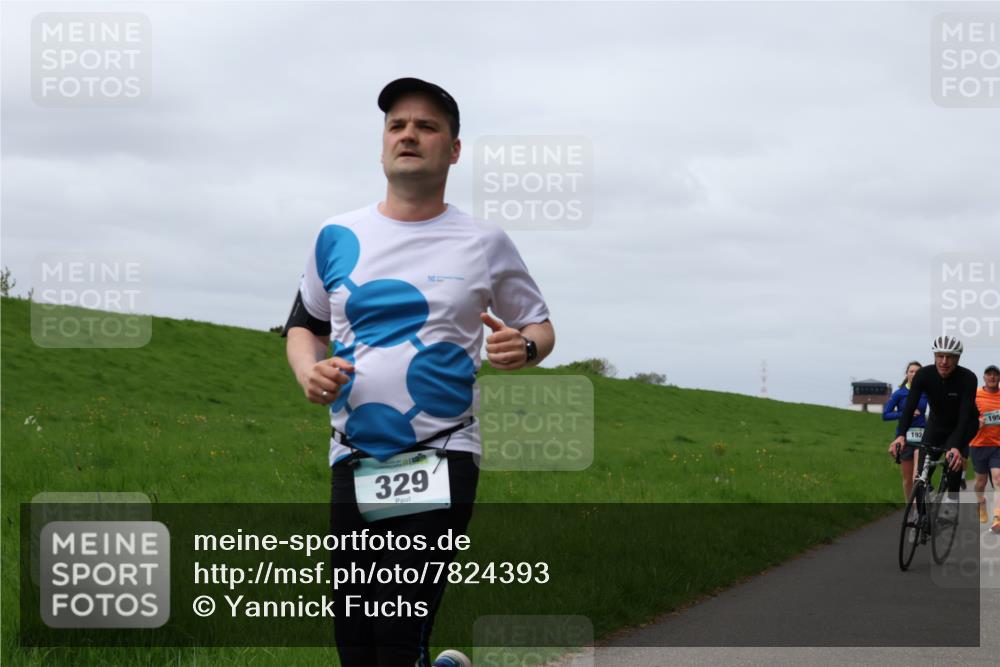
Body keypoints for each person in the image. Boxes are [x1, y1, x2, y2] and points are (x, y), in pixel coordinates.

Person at [283, 78, 554, 667]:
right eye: (397, 125)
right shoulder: (337, 236)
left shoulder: (483, 242)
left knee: (398, 630)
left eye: (426, 126)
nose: (408, 135)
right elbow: (304, 324)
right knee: (356, 637)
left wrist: (525, 347)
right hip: (353, 454)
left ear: (453, 150)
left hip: (441, 451)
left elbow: (538, 325)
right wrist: (308, 370)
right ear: (382, 144)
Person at [889, 336, 978, 499]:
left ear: (957, 358)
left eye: (949, 357)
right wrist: (900, 435)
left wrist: (956, 446)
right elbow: (909, 408)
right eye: (940, 356)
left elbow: (965, 415)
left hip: (964, 424)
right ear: (934, 356)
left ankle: (952, 502)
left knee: (953, 460)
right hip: (937, 423)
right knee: (921, 472)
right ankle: (921, 510)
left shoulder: (968, 378)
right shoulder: (923, 375)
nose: (944, 361)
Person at [882, 360, 928, 501]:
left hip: (922, 437)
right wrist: (905, 413)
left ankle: (920, 506)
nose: (914, 374)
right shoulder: (899, 393)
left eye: (917, 372)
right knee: (907, 479)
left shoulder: (926, 392)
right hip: (904, 438)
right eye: (911, 371)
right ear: (906, 374)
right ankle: (911, 507)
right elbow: (885, 415)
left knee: (917, 477)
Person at [970, 364, 1000, 532]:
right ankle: (981, 502)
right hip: (979, 445)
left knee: (998, 479)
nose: (992, 377)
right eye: (989, 374)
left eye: (995, 374)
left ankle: (997, 517)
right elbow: (966, 415)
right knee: (980, 483)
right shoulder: (975, 395)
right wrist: (975, 422)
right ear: (984, 377)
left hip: (998, 445)